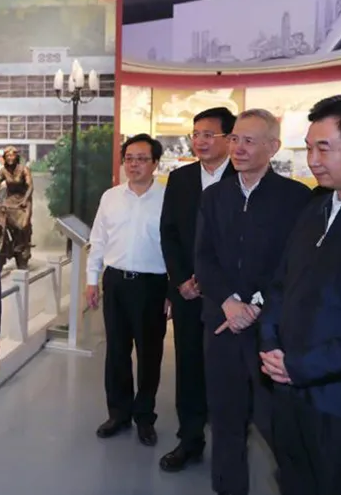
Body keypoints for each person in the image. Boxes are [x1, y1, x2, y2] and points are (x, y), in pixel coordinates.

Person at [259, 95, 341, 495]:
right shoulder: (316, 209)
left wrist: (303, 366)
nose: (312, 160)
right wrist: (271, 343)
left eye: (324, 148)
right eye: (309, 148)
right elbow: (281, 283)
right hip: (288, 391)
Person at [195, 109, 311, 495]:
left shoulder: (297, 198)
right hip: (221, 323)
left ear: (272, 147)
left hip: (270, 330)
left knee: (275, 423)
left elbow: (293, 262)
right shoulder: (214, 196)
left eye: (249, 141)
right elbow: (204, 257)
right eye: (235, 139)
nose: (238, 148)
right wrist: (229, 302)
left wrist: (256, 306)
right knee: (225, 419)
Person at [158, 107, 237, 473]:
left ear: (229, 138)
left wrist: (211, 280)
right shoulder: (181, 178)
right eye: (196, 134)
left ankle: (230, 449)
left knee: (228, 372)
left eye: (208, 134)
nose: (200, 141)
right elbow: (169, 232)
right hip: (187, 293)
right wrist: (180, 280)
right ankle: (189, 440)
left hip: (230, 297)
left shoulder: (244, 176)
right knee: (188, 367)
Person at [87, 134, 168, 448]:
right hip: (116, 282)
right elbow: (98, 240)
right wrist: (92, 280)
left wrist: (172, 291)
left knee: (150, 354)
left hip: (152, 285)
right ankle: (118, 414)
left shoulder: (167, 198)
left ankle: (144, 417)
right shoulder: (111, 197)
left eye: (142, 159)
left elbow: (175, 248)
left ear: (155, 163)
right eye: (129, 159)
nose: (134, 165)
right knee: (117, 352)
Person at [0, 146, 34, 269]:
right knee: (0, 218)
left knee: (23, 225)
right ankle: (2, 243)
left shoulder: (24, 169)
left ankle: (24, 246)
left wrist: (25, 200)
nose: (10, 158)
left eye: (12, 155)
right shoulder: (3, 171)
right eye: (7, 156)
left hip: (23, 200)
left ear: (16, 157)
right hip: (10, 200)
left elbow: (30, 186)